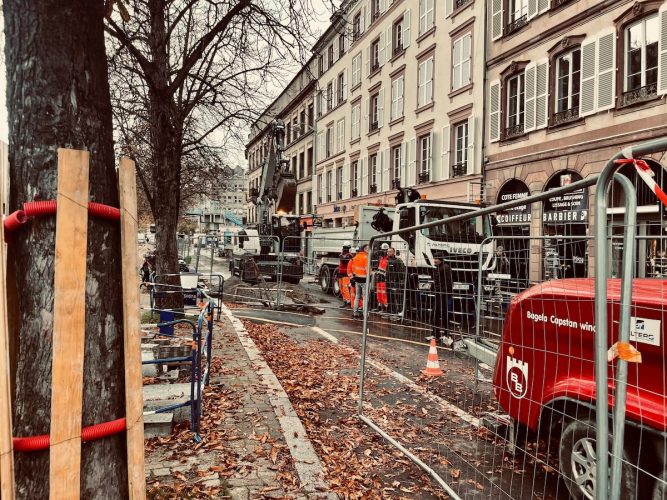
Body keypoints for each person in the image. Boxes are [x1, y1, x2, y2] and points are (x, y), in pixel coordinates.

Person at [429, 255, 453, 342]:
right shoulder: (437, 268)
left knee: (440, 314)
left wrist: (442, 292)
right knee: (437, 314)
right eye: (434, 258)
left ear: (440, 259)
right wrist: (432, 288)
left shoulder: (445, 268)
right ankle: (436, 334)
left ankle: (444, 335)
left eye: (436, 259)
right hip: (439, 294)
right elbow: (436, 281)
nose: (434, 260)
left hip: (442, 295)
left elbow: (448, 281)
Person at [349, 244, 369, 319]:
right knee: (364, 297)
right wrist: (371, 273)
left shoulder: (356, 257)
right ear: (364, 249)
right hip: (364, 280)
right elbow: (367, 269)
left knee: (357, 296)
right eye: (367, 248)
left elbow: (354, 268)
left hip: (357, 279)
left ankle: (355, 312)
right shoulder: (366, 257)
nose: (368, 249)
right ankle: (364, 314)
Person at [385, 247, 406, 319]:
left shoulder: (398, 261)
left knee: (396, 297)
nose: (388, 253)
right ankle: (390, 312)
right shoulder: (386, 260)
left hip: (395, 283)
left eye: (390, 251)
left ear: (394, 252)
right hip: (388, 282)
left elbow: (401, 272)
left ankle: (398, 313)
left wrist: (398, 280)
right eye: (388, 251)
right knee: (389, 298)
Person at [375, 243, 389, 314]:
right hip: (379, 278)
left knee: (383, 293)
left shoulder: (388, 259)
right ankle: (379, 307)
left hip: (384, 279)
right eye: (383, 250)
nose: (384, 252)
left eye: (385, 250)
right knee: (379, 293)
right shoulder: (381, 258)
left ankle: (385, 308)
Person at [338, 242, 353, 308]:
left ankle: (348, 301)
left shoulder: (350, 255)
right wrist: (342, 255)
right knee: (341, 288)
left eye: (346, 248)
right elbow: (341, 257)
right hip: (340, 273)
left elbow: (343, 259)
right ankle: (345, 301)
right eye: (344, 248)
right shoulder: (343, 254)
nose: (345, 249)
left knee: (345, 287)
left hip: (346, 274)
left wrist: (342, 256)